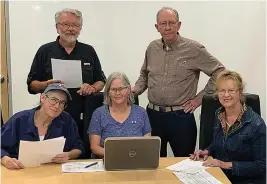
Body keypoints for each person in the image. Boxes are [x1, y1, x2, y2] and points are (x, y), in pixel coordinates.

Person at [132, 7, 225, 157]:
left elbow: (219, 71)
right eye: (163, 23)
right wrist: (135, 89)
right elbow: (144, 74)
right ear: (157, 27)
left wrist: (199, 99)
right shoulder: (152, 48)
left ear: (179, 25)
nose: (167, 27)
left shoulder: (194, 49)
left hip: (181, 117)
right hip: (152, 117)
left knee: (184, 164)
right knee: (151, 162)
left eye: (171, 23)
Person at [26, 8, 106, 142]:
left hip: (83, 112)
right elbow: (31, 84)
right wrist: (46, 85)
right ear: (57, 27)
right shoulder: (45, 51)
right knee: (53, 152)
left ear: (80, 28)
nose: (71, 29)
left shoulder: (88, 51)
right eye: (66, 24)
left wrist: (92, 88)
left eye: (75, 25)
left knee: (81, 150)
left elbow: (101, 80)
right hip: (52, 113)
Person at [190, 70, 266, 184]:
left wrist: (224, 164)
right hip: (220, 177)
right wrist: (207, 151)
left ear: (240, 92)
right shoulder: (219, 114)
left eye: (231, 90)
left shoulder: (256, 124)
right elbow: (218, 143)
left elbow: (261, 165)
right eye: (222, 91)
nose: (226, 95)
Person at [1, 83, 85, 170]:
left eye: (62, 103)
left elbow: (78, 147)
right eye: (53, 100)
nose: (57, 106)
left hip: (53, 172)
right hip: (21, 171)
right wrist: (4, 159)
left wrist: (68, 155)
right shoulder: (19, 120)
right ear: (43, 98)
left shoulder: (66, 120)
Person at [88, 72, 152, 158]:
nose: (118, 93)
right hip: (108, 161)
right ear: (108, 92)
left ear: (129, 90)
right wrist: (119, 154)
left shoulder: (141, 112)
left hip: (135, 161)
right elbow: (94, 147)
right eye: (113, 89)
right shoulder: (99, 114)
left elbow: (148, 144)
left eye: (121, 89)